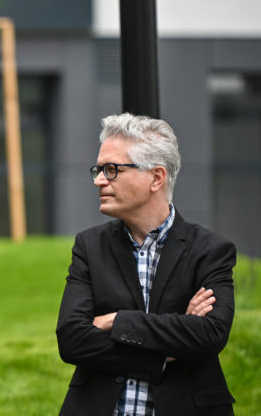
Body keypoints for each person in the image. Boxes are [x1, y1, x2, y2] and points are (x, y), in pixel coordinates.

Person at [56, 113, 236, 416]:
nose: (99, 180)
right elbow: (72, 340)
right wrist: (164, 352)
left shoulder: (210, 251)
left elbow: (210, 334)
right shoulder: (89, 246)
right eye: (99, 170)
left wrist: (118, 321)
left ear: (155, 177)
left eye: (112, 170)